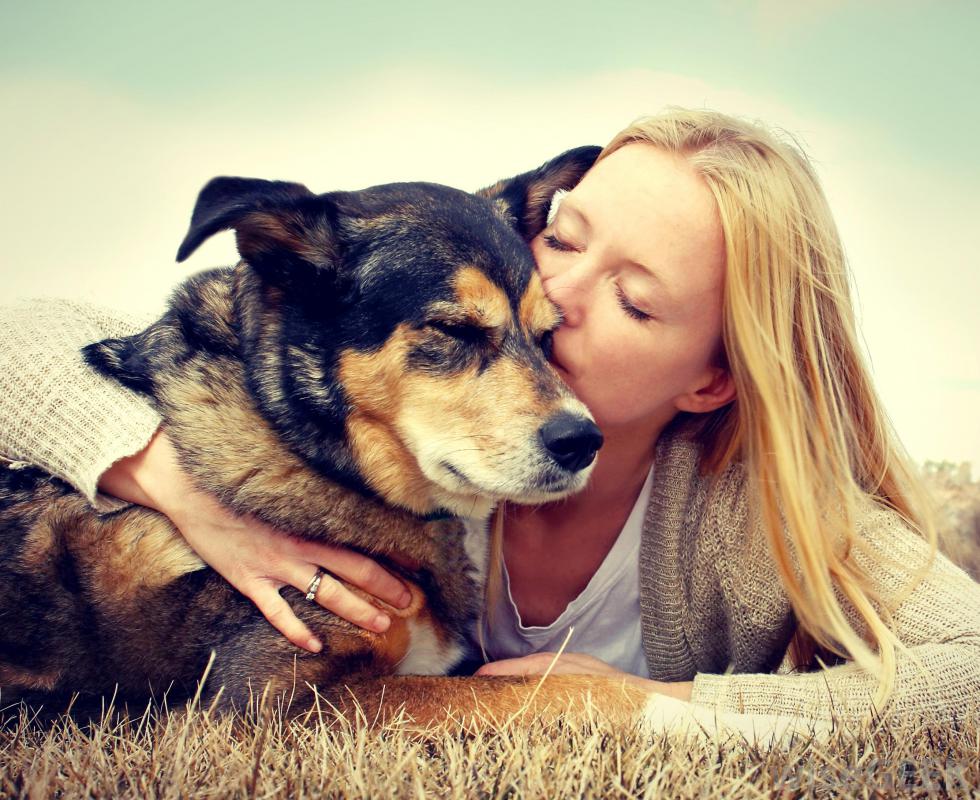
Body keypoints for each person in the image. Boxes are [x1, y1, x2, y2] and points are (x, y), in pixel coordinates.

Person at [2, 108, 978, 731]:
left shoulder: (752, 517)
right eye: (560, 237)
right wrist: (159, 475)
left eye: (635, 301)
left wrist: (656, 709)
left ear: (709, 380)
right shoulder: (411, 398)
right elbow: (28, 336)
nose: (548, 292)